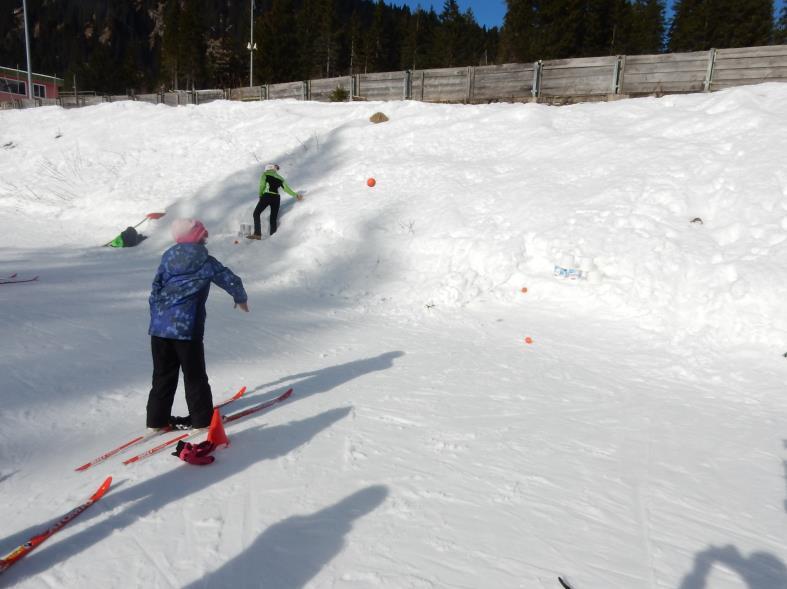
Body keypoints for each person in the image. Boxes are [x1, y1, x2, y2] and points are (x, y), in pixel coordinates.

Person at [147, 219, 249, 431]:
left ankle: (156, 422)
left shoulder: (168, 257)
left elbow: (156, 288)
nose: (206, 237)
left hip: (159, 329)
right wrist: (240, 299)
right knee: (194, 376)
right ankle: (202, 421)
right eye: (203, 234)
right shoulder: (205, 261)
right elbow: (230, 279)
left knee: (162, 375)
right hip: (186, 329)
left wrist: (158, 315)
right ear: (197, 237)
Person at [248, 163, 303, 239]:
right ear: (274, 169)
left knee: (256, 213)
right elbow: (286, 189)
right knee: (273, 218)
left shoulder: (265, 174)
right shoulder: (280, 178)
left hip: (267, 195)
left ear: (267, 168)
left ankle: (257, 234)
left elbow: (262, 185)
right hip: (276, 198)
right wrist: (296, 195)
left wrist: (260, 195)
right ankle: (272, 238)